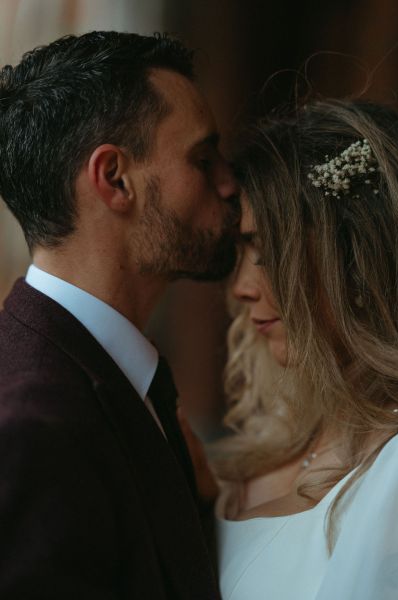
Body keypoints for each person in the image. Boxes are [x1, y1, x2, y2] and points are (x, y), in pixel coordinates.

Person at [0, 31, 239, 599]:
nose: (229, 184)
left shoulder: (96, 375)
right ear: (114, 179)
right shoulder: (34, 429)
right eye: (203, 160)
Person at [182, 99, 398, 600]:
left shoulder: (389, 474)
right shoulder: (248, 453)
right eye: (241, 253)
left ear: (356, 260)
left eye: (268, 253)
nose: (240, 287)